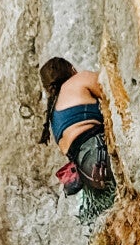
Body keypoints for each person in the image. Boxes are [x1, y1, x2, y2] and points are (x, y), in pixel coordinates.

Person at [39, 56, 116, 193]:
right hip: (101, 156)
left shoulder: (53, 117)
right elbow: (113, 89)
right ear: (72, 69)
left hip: (90, 176)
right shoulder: (79, 80)